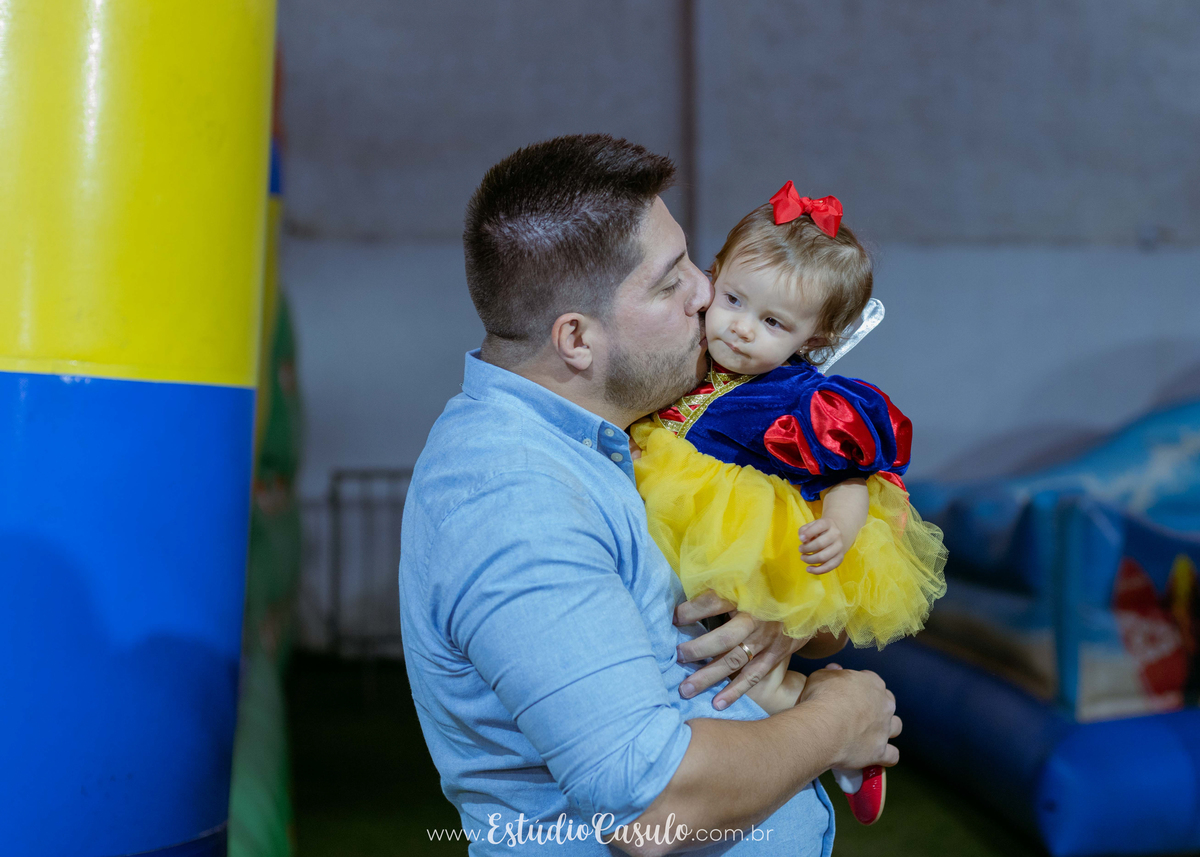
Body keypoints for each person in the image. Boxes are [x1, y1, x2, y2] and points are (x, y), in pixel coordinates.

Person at [399, 135, 900, 856]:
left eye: (696, 262)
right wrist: (837, 721)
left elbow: (807, 623)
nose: (706, 292)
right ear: (577, 339)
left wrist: (778, 617)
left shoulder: (611, 436)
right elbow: (649, 805)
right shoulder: (513, 502)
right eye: (671, 281)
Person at [630, 182, 949, 825]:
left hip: (748, 539)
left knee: (744, 670)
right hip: (678, 517)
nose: (742, 328)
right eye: (734, 300)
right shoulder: (687, 350)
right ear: (713, 276)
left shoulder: (799, 397)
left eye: (774, 323)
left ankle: (844, 739)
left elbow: (851, 475)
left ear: (816, 337)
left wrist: (839, 528)